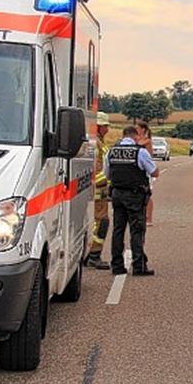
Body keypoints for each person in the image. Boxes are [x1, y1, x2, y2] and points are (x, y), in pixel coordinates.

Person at [105, 125, 159, 276]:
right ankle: (139, 266)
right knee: (137, 230)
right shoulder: (140, 152)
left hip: (117, 195)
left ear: (123, 136)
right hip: (135, 196)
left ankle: (117, 265)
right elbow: (155, 172)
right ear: (135, 137)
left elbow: (107, 174)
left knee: (118, 230)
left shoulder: (111, 151)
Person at [85, 112, 112, 269]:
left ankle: (90, 254)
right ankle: (94, 255)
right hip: (98, 192)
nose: (107, 129)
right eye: (105, 126)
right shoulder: (96, 144)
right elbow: (97, 171)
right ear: (99, 127)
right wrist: (108, 183)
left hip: (98, 191)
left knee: (97, 222)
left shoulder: (97, 142)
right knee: (100, 222)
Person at [134, 120, 156, 226]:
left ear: (143, 129)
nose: (136, 130)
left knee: (147, 195)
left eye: (137, 128)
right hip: (136, 170)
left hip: (145, 170)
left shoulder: (147, 141)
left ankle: (149, 218)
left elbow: (150, 156)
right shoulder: (135, 140)